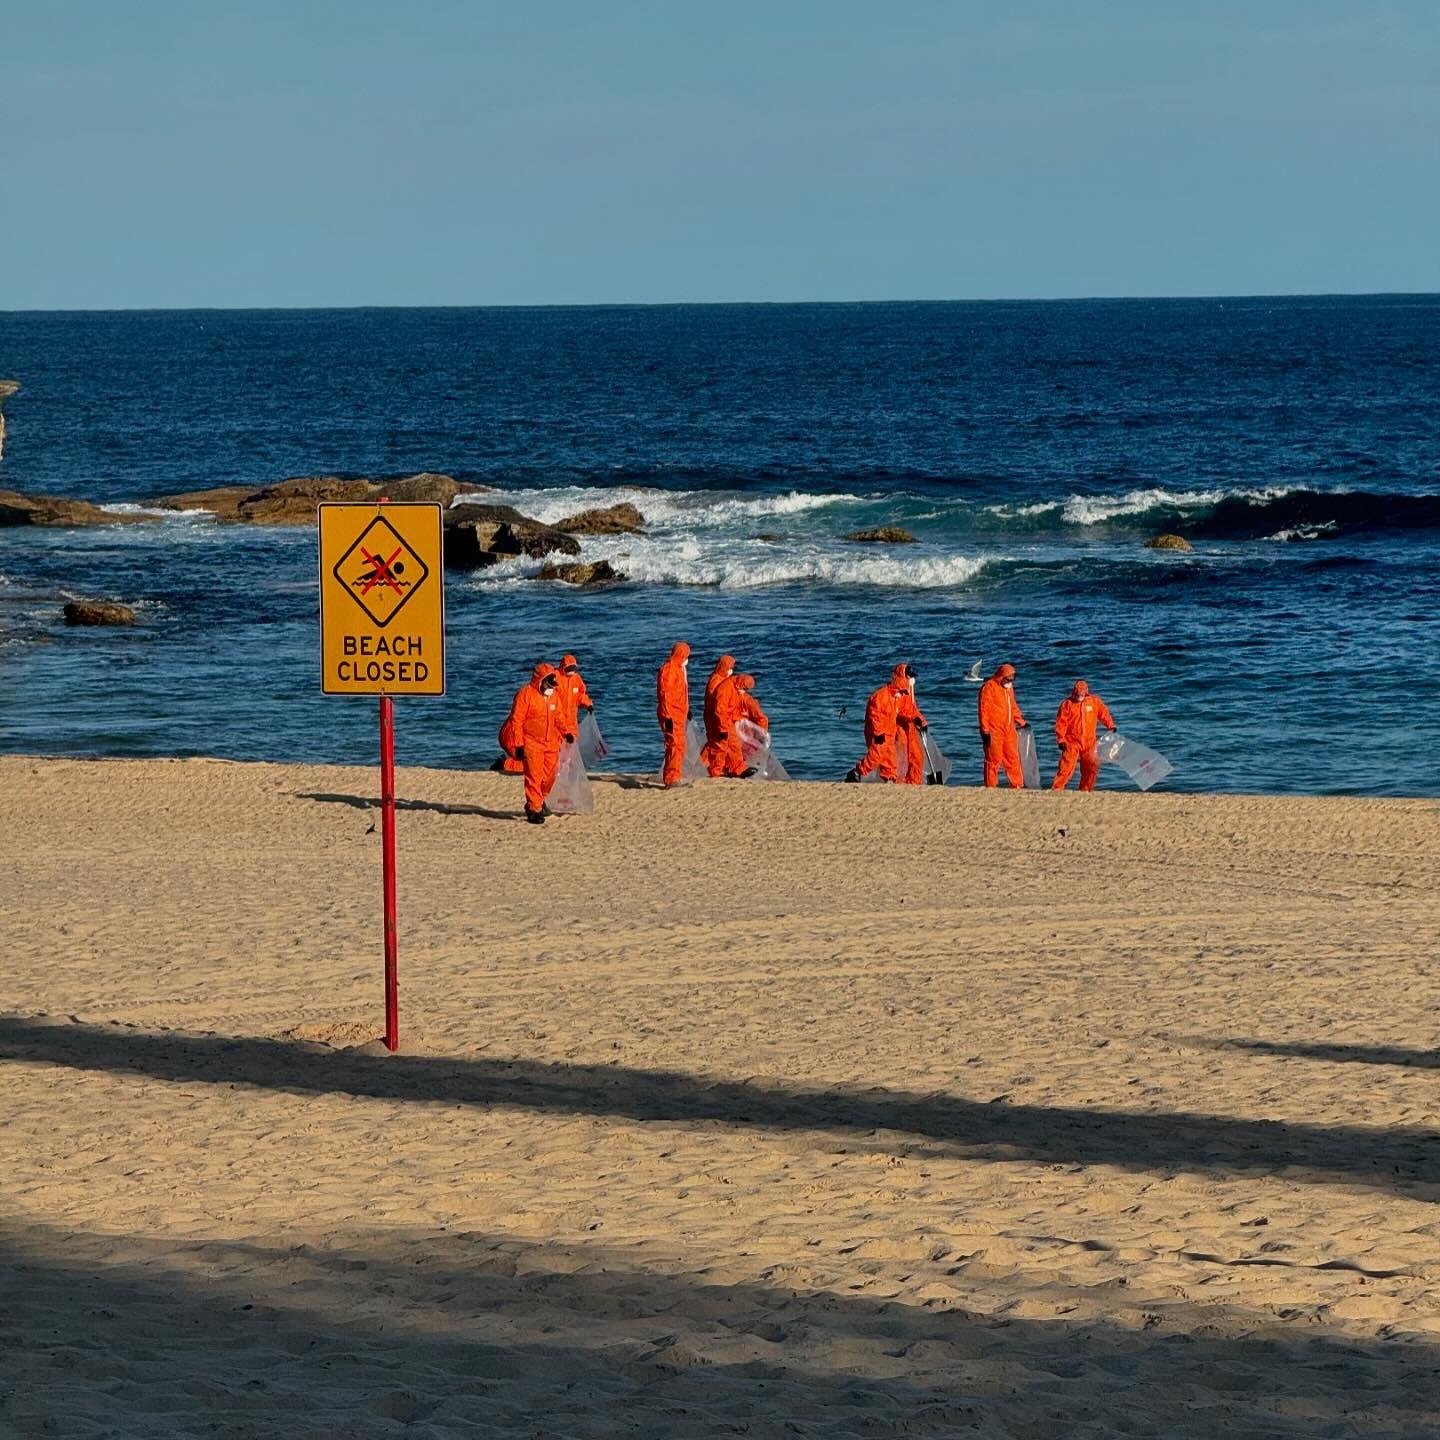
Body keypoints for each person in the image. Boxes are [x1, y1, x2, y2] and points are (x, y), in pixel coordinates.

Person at [506, 662, 572, 823]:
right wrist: (519, 744)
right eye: (549, 682)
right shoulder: (525, 694)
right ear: (540, 680)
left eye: (553, 683)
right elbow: (517, 720)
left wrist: (567, 732)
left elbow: (559, 717)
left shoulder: (553, 696)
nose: (552, 686)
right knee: (534, 777)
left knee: (550, 776)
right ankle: (534, 809)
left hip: (551, 742)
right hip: (531, 743)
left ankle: (539, 800)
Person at [844, 665, 911, 782]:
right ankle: (856, 772)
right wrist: (878, 733)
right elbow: (874, 716)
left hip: (889, 733)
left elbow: (906, 710)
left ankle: (889, 778)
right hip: (877, 733)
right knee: (876, 755)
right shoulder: (881, 696)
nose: (903, 694)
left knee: (890, 758)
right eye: (903, 692)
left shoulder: (896, 698)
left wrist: (917, 719)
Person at [1052, 680, 1117, 792]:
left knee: (1091, 767)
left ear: (1086, 693)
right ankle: (1057, 789)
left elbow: (1103, 714)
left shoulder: (1094, 702)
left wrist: (1111, 726)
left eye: (1082, 695)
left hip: (1089, 742)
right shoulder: (1067, 704)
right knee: (1065, 768)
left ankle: (1085, 790)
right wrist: (1061, 740)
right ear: (1074, 692)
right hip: (1072, 741)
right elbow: (1060, 723)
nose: (1079, 697)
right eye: (1077, 695)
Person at [978, 662, 1028, 788]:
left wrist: (1022, 721)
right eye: (1008, 678)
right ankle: (991, 786)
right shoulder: (989, 687)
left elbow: (1013, 706)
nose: (1011, 681)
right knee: (993, 759)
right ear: (1002, 676)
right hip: (994, 730)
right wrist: (985, 731)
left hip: (1009, 729)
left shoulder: (1009, 688)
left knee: (1013, 758)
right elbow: (984, 710)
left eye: (1012, 678)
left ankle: (1017, 784)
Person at [656, 642, 691, 787]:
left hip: (678, 713)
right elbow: (665, 695)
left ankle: (674, 775)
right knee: (674, 745)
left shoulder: (679, 669)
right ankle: (671, 778)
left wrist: (687, 709)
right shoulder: (670, 669)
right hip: (671, 714)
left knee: (679, 745)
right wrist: (668, 716)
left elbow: (681, 693)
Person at [705, 671, 751, 778]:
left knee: (734, 745)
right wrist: (722, 728)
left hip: (727, 720)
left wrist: (738, 718)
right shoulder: (725, 687)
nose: (745, 691)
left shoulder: (734, 688)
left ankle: (737, 769)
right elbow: (719, 709)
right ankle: (716, 771)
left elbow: (732, 707)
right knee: (720, 747)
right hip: (721, 721)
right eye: (745, 688)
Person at [701, 654, 738, 774]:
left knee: (717, 743)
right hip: (716, 717)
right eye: (729, 668)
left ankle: (710, 765)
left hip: (716, 715)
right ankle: (716, 769)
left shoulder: (719, 679)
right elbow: (718, 704)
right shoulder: (717, 681)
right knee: (719, 743)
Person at [895, 663, 930, 785]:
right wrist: (912, 718)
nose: (912, 679)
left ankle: (914, 783)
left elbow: (913, 709)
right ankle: (901, 783)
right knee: (902, 760)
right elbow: (897, 711)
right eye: (909, 676)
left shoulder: (909, 690)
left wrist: (922, 722)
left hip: (910, 728)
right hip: (900, 729)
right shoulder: (897, 691)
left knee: (917, 756)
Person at [554, 653, 594, 736]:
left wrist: (588, 704)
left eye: (573, 669)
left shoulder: (576, 678)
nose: (571, 672)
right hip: (557, 720)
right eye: (569, 669)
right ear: (563, 667)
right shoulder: (555, 677)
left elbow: (580, 695)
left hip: (572, 720)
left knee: (573, 741)